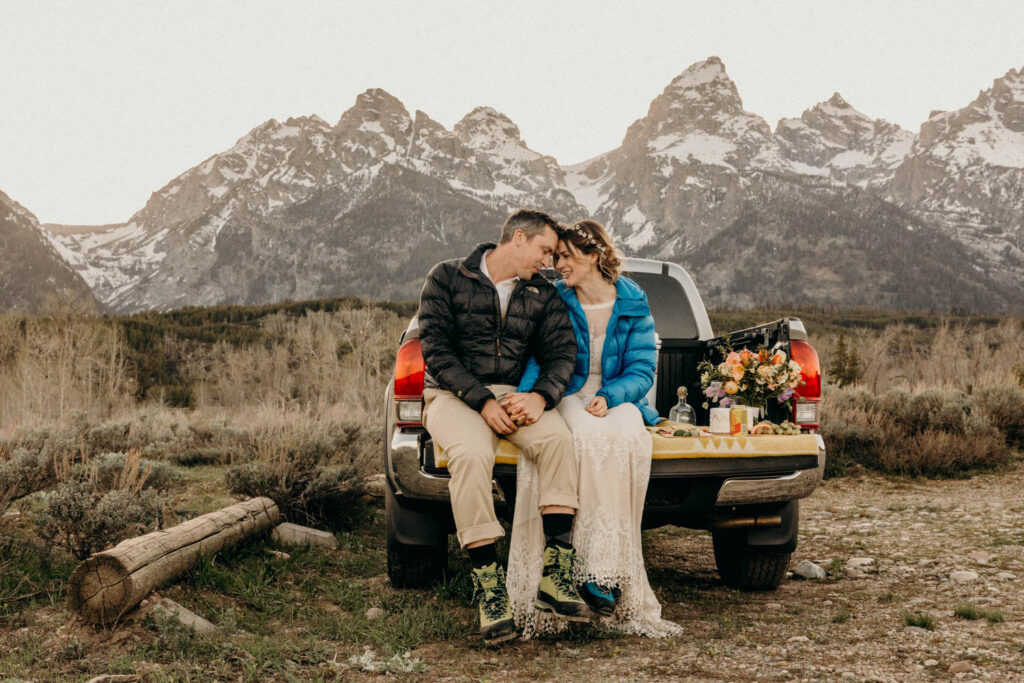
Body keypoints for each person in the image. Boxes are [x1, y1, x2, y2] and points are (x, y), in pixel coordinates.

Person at [417, 208, 591, 645]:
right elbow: (435, 349)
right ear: (518, 238)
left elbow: (562, 354)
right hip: (454, 395)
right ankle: (489, 590)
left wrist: (540, 396)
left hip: (513, 395)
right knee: (473, 456)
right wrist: (480, 399)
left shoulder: (542, 293)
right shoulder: (447, 276)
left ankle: (555, 577)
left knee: (556, 441)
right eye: (545, 250)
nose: (550, 262)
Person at [505, 219, 683, 638]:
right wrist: (528, 397)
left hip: (619, 397)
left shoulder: (634, 302)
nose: (557, 264)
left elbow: (643, 368)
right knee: (582, 439)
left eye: (565, 257)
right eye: (555, 256)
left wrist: (615, 395)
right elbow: (540, 357)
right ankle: (574, 566)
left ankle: (604, 572)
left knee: (627, 438)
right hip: (565, 392)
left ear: (594, 255)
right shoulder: (557, 300)